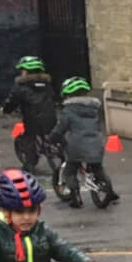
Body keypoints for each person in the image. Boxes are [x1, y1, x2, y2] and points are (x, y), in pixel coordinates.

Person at [49, 77, 117, 208]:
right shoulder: (94, 109)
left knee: (70, 171)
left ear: (67, 94)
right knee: (98, 168)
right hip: (96, 143)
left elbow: (60, 129)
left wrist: (52, 138)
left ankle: (75, 197)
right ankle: (110, 191)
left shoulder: (68, 111)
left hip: (77, 146)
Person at [2, 56, 60, 174]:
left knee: (29, 138)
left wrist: (6, 110)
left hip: (32, 119)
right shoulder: (48, 84)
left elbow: (12, 101)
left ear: (25, 71)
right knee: (51, 132)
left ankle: (30, 164)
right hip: (51, 117)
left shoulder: (21, 86)